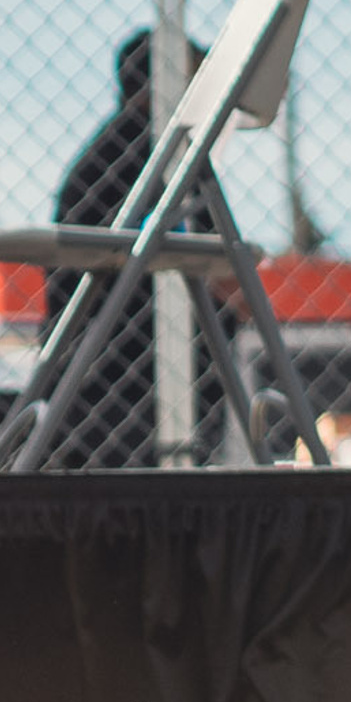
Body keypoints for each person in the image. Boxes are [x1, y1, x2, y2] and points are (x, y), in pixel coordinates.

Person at [41, 28, 213, 468]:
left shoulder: (140, 147)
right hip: (121, 369)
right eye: (195, 73)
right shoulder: (142, 149)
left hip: (111, 365)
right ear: (163, 80)